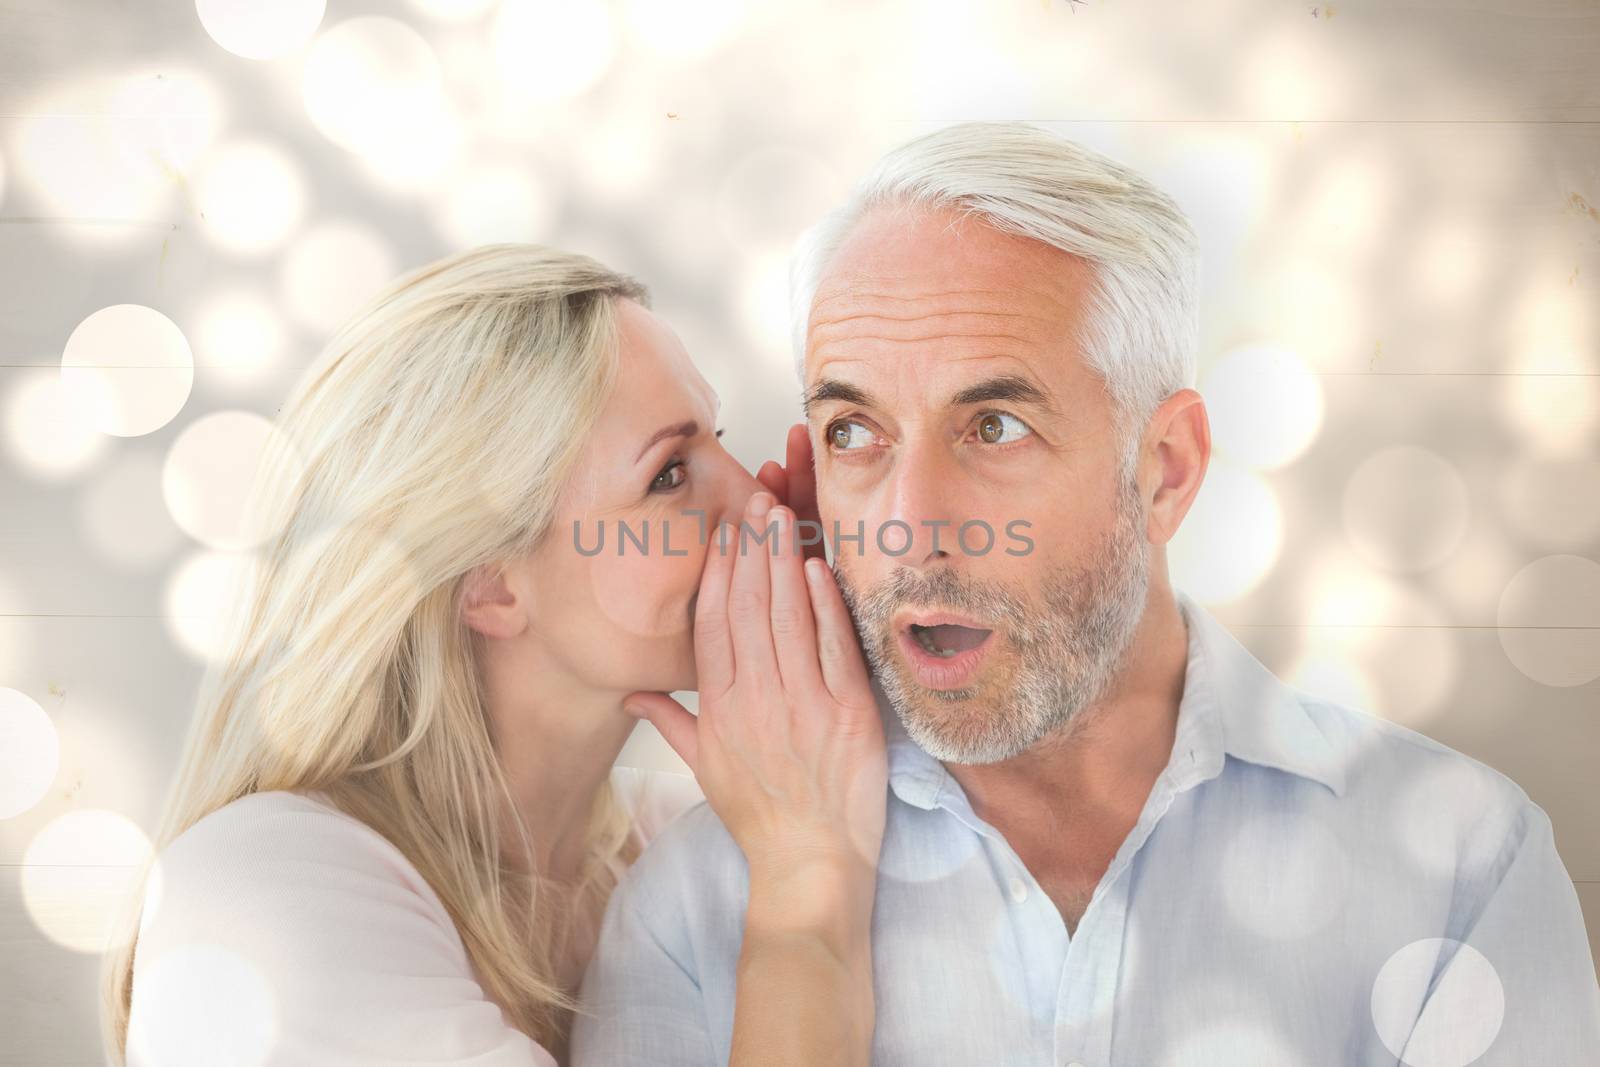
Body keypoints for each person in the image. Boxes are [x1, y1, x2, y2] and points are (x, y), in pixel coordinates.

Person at [574, 122, 1600, 1065]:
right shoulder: (698, 914)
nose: (905, 526)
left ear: (1164, 468)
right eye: (853, 432)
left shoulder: (1460, 861)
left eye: (994, 427)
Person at [102, 245, 887, 1066]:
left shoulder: (685, 848)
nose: (762, 501)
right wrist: (806, 883)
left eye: (717, 438)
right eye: (668, 474)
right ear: (490, 587)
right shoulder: (261, 887)